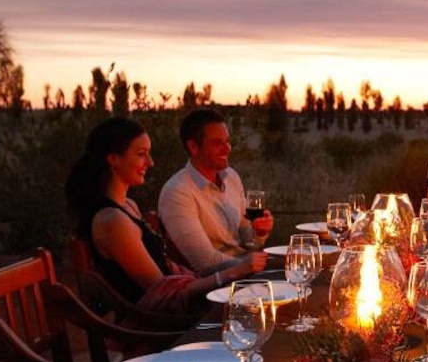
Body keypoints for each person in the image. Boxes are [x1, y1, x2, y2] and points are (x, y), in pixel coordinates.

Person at [64, 117, 266, 315]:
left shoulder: (128, 206)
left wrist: (254, 245)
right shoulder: (112, 221)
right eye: (141, 154)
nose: (150, 163)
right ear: (113, 159)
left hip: (177, 309)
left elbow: (167, 275)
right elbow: (162, 292)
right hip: (157, 325)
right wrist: (234, 272)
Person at [158, 108, 274, 274]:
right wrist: (251, 266)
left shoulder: (231, 177)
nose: (227, 148)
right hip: (217, 285)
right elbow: (204, 262)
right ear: (193, 146)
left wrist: (259, 232)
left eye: (227, 141)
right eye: (217, 143)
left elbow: (249, 243)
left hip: (245, 270)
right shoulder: (177, 192)